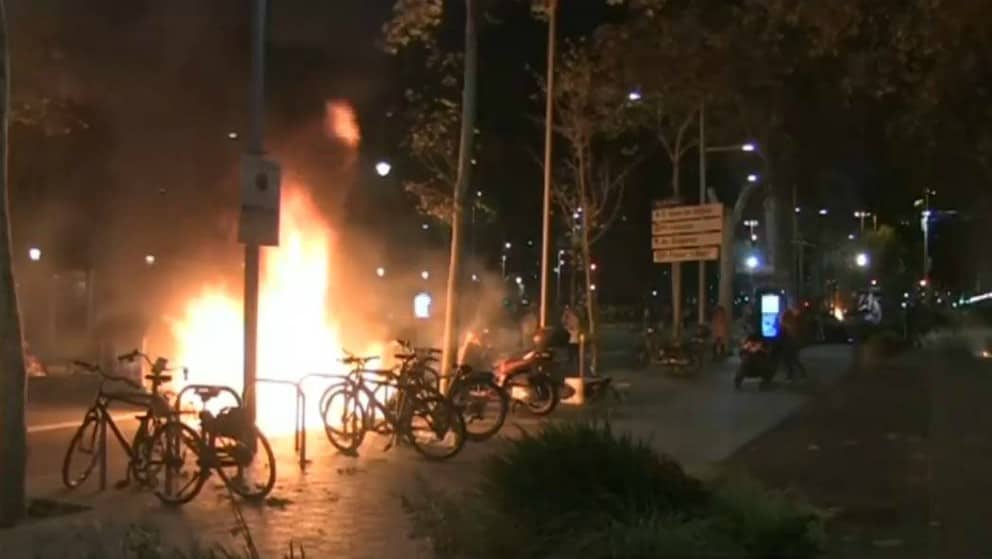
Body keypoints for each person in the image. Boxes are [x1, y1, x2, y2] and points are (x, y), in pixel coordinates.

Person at [780, 305, 807, 380]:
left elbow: (788, 335)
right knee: (792, 360)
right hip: (790, 344)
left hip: (789, 345)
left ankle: (795, 374)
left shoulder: (787, 324)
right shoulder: (790, 323)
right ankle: (795, 374)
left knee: (791, 360)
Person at [562, 305, 581, 370]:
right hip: (574, 338)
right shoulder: (572, 317)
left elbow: (569, 326)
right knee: (574, 353)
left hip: (574, 339)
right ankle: (575, 365)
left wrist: (568, 328)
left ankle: (574, 365)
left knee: (573, 353)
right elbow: (566, 324)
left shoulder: (573, 318)